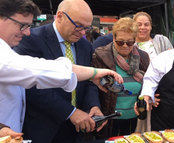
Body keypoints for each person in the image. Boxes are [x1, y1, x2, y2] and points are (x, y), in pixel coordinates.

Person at [0, 0, 123, 139]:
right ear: (59, 16)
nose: (82, 32)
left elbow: (87, 82)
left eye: (86, 28)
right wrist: (71, 112)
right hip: (44, 128)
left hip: (76, 130)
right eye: (78, 26)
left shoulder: (85, 45)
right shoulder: (31, 40)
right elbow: (36, 74)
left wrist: (92, 105)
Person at [92, 17, 150, 138]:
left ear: (135, 40)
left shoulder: (143, 57)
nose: (125, 46)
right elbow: (92, 87)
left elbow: (149, 83)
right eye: (120, 42)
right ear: (113, 38)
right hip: (109, 118)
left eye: (129, 42)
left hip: (134, 118)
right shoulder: (100, 55)